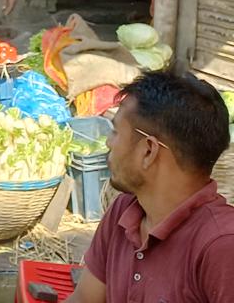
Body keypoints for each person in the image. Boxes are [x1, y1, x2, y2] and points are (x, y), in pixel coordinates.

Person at [67, 72, 234, 303]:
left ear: (148, 151)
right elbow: (84, 300)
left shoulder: (221, 245)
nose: (108, 142)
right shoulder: (123, 212)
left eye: (115, 132)